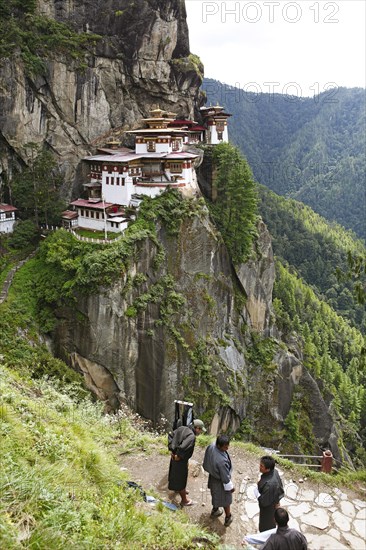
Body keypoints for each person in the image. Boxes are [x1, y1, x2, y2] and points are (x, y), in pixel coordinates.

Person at [168, 418, 206, 506]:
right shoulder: (191, 436)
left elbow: (170, 435)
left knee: (174, 474)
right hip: (180, 460)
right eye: (200, 430)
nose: (200, 432)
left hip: (174, 457)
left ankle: (178, 489)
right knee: (181, 478)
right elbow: (184, 447)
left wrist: (172, 450)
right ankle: (184, 500)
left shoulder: (182, 428)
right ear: (197, 428)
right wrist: (179, 456)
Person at [203, 434, 235, 527]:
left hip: (213, 476)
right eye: (225, 447)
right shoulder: (221, 461)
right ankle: (228, 517)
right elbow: (225, 478)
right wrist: (231, 487)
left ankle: (215, 510)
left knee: (215, 493)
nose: (227, 448)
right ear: (219, 445)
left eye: (228, 445)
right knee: (226, 499)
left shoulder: (211, 446)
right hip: (220, 480)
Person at [257, 456, 284, 532]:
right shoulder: (274, 471)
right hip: (273, 499)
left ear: (268, 469)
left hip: (269, 506)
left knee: (266, 525)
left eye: (261, 466)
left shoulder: (269, 485)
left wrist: (257, 494)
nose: (259, 467)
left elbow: (263, 502)